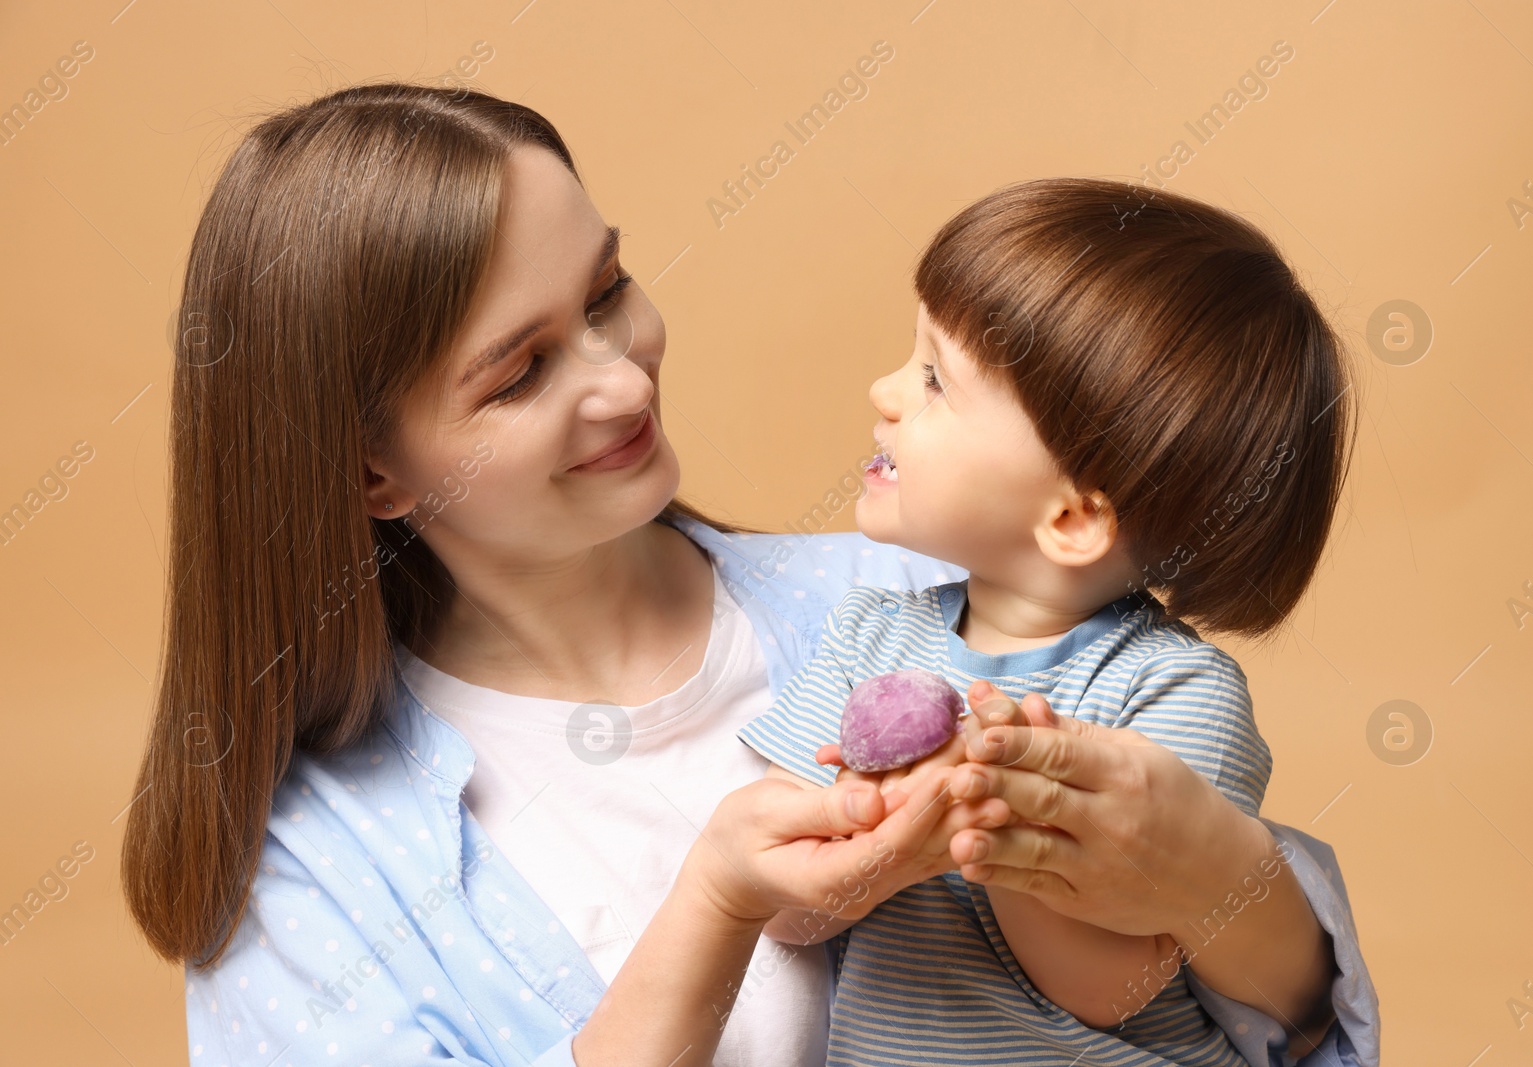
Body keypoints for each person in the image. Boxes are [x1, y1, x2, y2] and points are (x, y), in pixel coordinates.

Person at [118, 83, 1376, 1067]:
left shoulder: (902, 599)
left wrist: (1218, 878)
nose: (619, 379)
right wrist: (716, 899)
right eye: (519, 371)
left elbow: (1290, 1027)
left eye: (608, 290)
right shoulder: (312, 870)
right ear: (372, 475)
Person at [740, 177, 1374, 1065]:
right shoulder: (867, 635)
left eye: (933, 380)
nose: (884, 391)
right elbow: (783, 909)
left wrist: (1000, 820)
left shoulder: (1173, 690)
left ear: (1071, 519)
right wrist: (883, 827)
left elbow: (1112, 988)